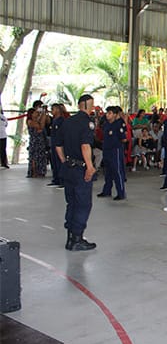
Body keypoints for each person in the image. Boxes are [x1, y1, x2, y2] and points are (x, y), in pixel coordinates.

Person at [55, 94, 97, 251]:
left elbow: (58, 145)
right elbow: (85, 145)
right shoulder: (87, 123)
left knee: (71, 203)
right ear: (86, 105)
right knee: (83, 204)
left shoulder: (67, 122)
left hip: (68, 168)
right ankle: (77, 239)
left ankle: (70, 237)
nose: (93, 108)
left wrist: (64, 161)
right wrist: (90, 167)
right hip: (81, 169)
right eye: (92, 105)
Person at [97, 106, 127, 200]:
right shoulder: (106, 124)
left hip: (115, 150)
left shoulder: (118, 124)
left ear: (115, 115)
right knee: (108, 171)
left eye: (110, 113)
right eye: (107, 113)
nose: (107, 115)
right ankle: (107, 190)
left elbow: (124, 138)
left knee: (117, 171)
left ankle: (121, 193)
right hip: (106, 149)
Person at [47, 104, 66, 187]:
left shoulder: (61, 120)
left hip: (59, 145)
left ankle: (62, 181)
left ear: (58, 110)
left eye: (53, 109)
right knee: (54, 163)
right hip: (53, 144)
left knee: (59, 163)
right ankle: (56, 179)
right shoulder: (54, 120)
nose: (52, 111)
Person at [26, 106, 48, 178]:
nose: (37, 113)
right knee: (34, 157)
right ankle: (34, 172)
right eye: (35, 112)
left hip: (40, 140)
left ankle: (40, 171)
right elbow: (40, 126)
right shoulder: (30, 121)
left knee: (41, 156)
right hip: (34, 141)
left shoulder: (37, 120)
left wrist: (43, 113)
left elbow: (42, 124)